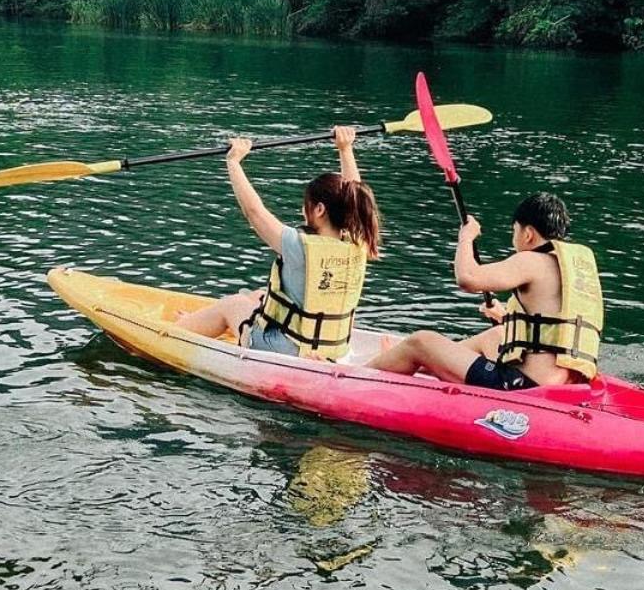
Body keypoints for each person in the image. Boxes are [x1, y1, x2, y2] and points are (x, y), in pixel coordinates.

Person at [175, 125, 382, 360]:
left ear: (320, 209)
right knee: (258, 296)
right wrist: (345, 149)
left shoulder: (300, 247)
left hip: (289, 351)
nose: (302, 211)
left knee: (232, 304)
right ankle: (195, 320)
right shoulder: (358, 242)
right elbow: (353, 196)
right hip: (334, 349)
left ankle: (177, 331)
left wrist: (233, 162)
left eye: (306, 206)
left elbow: (254, 212)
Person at [367, 191, 603, 391]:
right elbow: (555, 326)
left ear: (528, 233)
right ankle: (415, 363)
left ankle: (360, 372)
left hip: (524, 387)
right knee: (495, 335)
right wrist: (506, 317)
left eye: (515, 232)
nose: (515, 239)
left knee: (420, 341)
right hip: (565, 387)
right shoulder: (574, 267)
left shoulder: (532, 260)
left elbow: (467, 278)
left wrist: (466, 237)